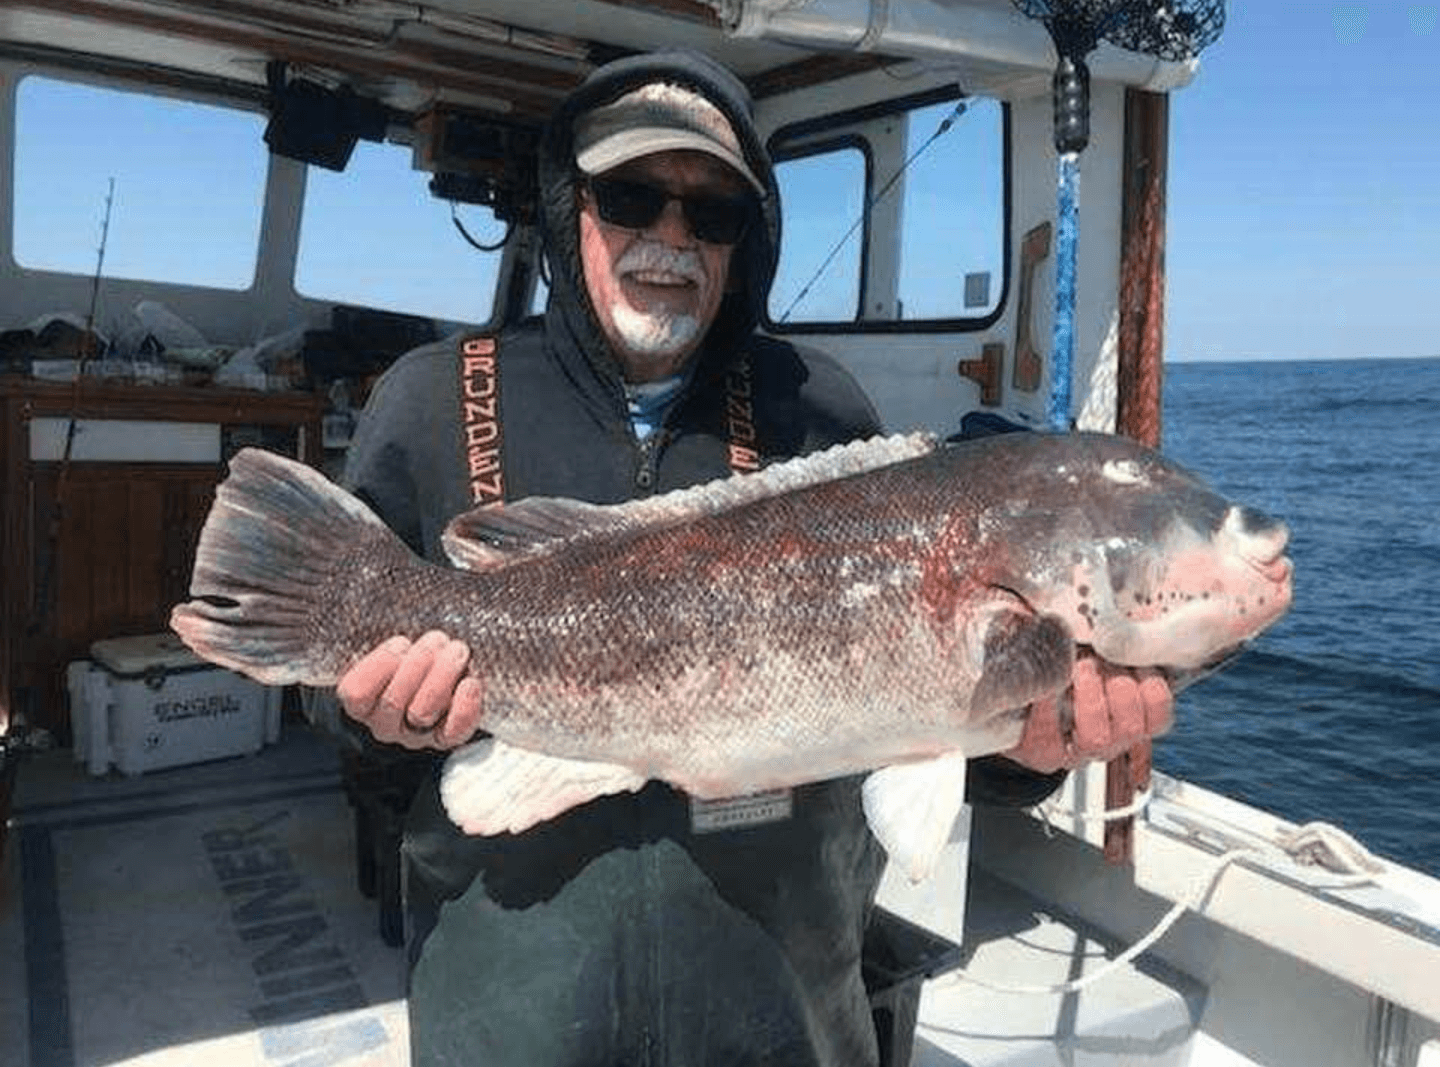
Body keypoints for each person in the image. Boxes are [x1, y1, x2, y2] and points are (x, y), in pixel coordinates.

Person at [334, 49, 1174, 1067]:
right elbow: (354, 742)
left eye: (712, 213)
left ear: (748, 239)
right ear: (571, 209)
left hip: (779, 1003)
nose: (671, 237)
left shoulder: (818, 411)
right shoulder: (429, 400)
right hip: (514, 1005)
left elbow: (905, 699)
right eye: (633, 196)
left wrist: (1020, 752)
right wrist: (374, 713)